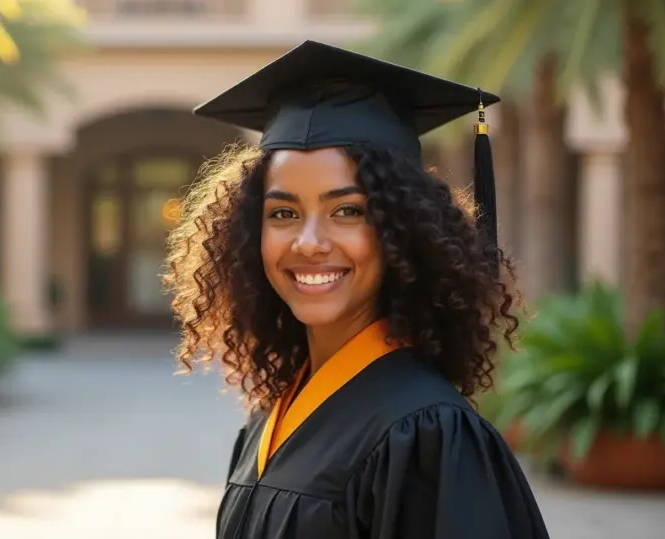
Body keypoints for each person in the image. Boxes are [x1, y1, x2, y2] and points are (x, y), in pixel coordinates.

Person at [162, 41, 550, 539]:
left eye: (348, 210)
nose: (308, 242)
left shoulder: (426, 433)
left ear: (400, 231)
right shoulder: (272, 416)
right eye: (283, 213)